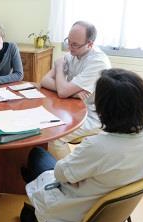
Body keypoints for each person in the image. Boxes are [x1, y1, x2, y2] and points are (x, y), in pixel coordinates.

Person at [19, 68, 143, 222]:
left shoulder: (99, 146)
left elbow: (60, 174)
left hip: (76, 212)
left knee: (37, 154)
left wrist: (78, 171)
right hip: (111, 204)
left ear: (104, 109)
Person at [40, 21, 111, 160]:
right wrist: (70, 91)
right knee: (42, 125)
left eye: (75, 45)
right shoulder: (73, 53)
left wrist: (60, 68)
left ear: (90, 44)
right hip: (74, 106)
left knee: (54, 137)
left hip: (95, 114)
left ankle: (67, 177)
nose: (69, 47)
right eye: (68, 41)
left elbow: (62, 92)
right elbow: (44, 80)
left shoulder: (98, 62)